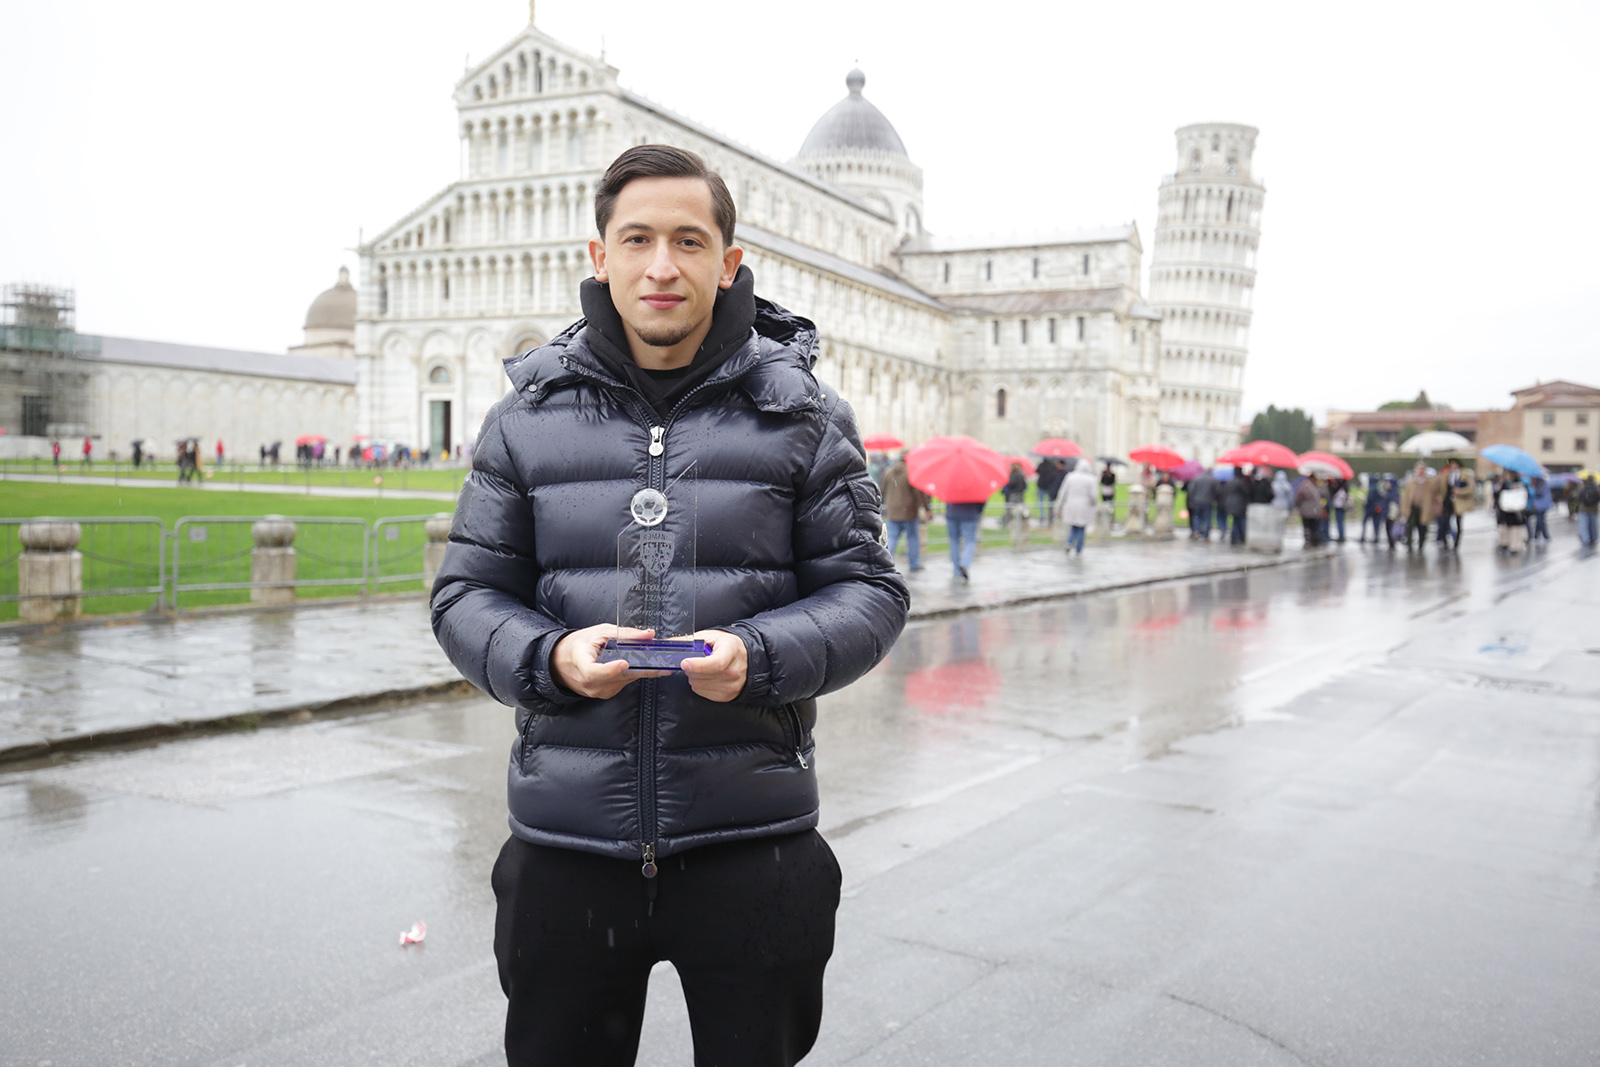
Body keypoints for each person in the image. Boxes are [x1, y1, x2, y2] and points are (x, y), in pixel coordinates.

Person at [429, 145, 909, 1067]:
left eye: (689, 240)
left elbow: (869, 591)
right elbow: (465, 595)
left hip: (754, 848)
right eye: (637, 238)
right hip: (567, 846)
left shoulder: (804, 414)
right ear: (599, 256)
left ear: (728, 261)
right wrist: (549, 658)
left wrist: (759, 655)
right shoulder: (527, 415)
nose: (661, 265)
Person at [879, 450, 930, 572]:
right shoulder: (911, 472)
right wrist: (926, 508)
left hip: (892, 511)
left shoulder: (888, 471)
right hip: (909, 511)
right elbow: (919, 493)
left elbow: (882, 490)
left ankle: (886, 563)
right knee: (912, 538)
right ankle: (914, 564)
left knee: (892, 537)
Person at [1399, 462, 1443, 552]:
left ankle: (1421, 545)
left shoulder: (1429, 482)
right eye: (1419, 470)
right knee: (1410, 526)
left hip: (1424, 508)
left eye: (1422, 470)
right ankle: (1409, 545)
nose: (1420, 472)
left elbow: (1437, 492)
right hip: (1412, 507)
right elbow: (1406, 496)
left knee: (1422, 527)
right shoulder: (1411, 482)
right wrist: (1404, 508)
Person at [1061, 459, 1099, 555]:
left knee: (1073, 526)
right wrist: (1094, 504)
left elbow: (1063, 492)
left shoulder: (1070, 477)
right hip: (1085, 505)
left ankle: (1069, 542)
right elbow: (1094, 495)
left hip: (1071, 504)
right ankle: (1078, 548)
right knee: (1081, 527)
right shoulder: (1091, 479)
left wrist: (1059, 505)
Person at [1440, 459, 1475, 549]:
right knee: (1445, 520)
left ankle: (1457, 542)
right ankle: (1445, 540)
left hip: (1459, 501)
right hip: (1448, 500)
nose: (1453, 466)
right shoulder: (1447, 475)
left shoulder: (1465, 474)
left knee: (1458, 522)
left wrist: (1460, 492)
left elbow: (1471, 488)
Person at [945, 500, 983, 579]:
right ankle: (965, 563)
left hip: (952, 512)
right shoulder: (973, 492)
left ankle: (956, 570)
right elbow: (981, 501)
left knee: (954, 541)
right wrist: (978, 510)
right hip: (969, 514)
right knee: (970, 541)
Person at [1495, 473, 1530, 554]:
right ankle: (1509, 544)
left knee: (1516, 528)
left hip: (1517, 511)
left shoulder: (1520, 485)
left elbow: (1526, 495)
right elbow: (1498, 496)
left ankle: (1516, 546)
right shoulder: (1504, 485)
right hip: (1506, 510)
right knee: (1508, 528)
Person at [1187, 466, 1219, 541]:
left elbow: (1191, 490)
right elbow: (1217, 491)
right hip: (1208, 502)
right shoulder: (1213, 480)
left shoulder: (1197, 479)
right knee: (1207, 518)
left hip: (1197, 501)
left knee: (1196, 516)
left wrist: (1191, 500)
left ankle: (1197, 530)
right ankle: (1206, 535)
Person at [1295, 472, 1326, 547]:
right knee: (1314, 527)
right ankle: (1314, 541)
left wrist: (1299, 506)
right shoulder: (1318, 486)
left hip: (1306, 511)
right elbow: (1326, 495)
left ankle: (1309, 541)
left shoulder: (1303, 486)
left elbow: (1298, 498)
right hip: (1315, 511)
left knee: (1307, 527)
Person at [1222, 466, 1250, 544]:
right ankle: (1241, 537)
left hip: (1230, 504)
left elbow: (1225, 492)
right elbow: (1246, 492)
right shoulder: (1241, 482)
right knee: (1241, 521)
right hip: (1239, 504)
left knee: (1234, 521)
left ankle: (1234, 537)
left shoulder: (1229, 482)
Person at [1002, 461, 1029, 534]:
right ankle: (1020, 521)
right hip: (1020, 493)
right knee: (1019, 507)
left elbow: (1011, 483)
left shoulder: (1014, 474)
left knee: (1010, 508)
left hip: (1014, 493)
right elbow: (1025, 485)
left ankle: (1006, 522)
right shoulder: (1021, 474)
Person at [1036, 458, 1065, 525]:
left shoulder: (1041, 465)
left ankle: (1043, 516)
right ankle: (1052, 516)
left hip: (1042, 486)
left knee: (1042, 503)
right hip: (1049, 487)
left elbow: (1037, 471)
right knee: (1051, 504)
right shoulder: (1053, 466)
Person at [1576, 474, 1600, 547]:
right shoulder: (1596, 488)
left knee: (1584, 524)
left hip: (1583, 509)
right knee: (1593, 524)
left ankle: (1585, 538)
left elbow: (1578, 497)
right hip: (1593, 509)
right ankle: (1594, 537)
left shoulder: (1582, 487)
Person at [1529, 476, 1553, 544]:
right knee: (1540, 520)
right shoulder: (1541, 483)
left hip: (1541, 505)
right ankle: (1540, 536)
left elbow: (1539, 492)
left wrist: (1532, 488)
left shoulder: (1541, 484)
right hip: (1540, 505)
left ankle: (1542, 536)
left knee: (1540, 520)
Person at [1328, 478, 1349, 543]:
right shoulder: (1345, 488)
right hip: (1342, 506)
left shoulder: (1339, 489)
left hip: (1339, 506)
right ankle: (1341, 535)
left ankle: (1341, 536)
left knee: (1339, 521)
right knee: (1341, 521)